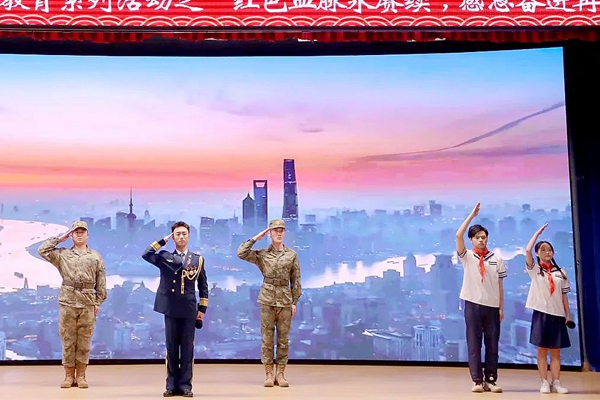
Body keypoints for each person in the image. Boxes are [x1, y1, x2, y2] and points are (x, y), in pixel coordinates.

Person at [142, 221, 209, 398]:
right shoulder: (165, 257)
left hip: (189, 308)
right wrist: (162, 241)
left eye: (184, 233)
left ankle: (186, 386)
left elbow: (203, 286)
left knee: (187, 349)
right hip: (170, 307)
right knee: (171, 348)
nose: (181, 237)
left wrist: (202, 309)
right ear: (173, 237)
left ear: (189, 236)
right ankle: (171, 385)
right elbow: (146, 254)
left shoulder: (197, 260)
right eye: (177, 234)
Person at [38, 221, 106, 389]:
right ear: (71, 235)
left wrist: (98, 302)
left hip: (87, 302)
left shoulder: (95, 257)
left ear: (88, 235)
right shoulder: (63, 254)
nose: (79, 234)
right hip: (68, 301)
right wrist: (59, 239)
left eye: (83, 231)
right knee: (68, 340)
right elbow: (43, 251)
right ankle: (68, 375)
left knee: (84, 341)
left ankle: (81, 375)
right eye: (76, 232)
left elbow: (101, 282)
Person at [237, 219, 302, 387]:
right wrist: (256, 238)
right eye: (275, 230)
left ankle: (280, 374)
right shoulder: (262, 254)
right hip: (267, 299)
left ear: (285, 233)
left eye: (281, 230)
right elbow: (241, 253)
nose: (279, 233)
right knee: (267, 339)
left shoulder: (291, 255)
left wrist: (294, 301)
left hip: (285, 300)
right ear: (270, 233)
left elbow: (296, 279)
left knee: (283, 339)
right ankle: (268, 374)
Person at [456, 203, 506, 393]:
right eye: (477, 237)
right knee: (474, 344)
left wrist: (501, 307)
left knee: (492, 345)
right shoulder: (467, 256)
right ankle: (477, 381)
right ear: (471, 240)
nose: (481, 240)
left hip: (492, 307)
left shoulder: (496, 259)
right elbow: (458, 235)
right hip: (472, 305)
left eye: (483, 237)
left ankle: (491, 380)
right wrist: (472, 215)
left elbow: (500, 285)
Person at [525, 223, 572, 394]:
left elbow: (564, 296)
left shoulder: (561, 272)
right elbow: (527, 250)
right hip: (541, 314)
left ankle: (556, 382)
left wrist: (568, 315)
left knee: (556, 352)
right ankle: (544, 382)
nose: (547, 252)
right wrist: (537, 233)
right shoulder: (535, 270)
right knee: (542, 350)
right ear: (538, 253)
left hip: (557, 315)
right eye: (543, 250)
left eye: (549, 250)